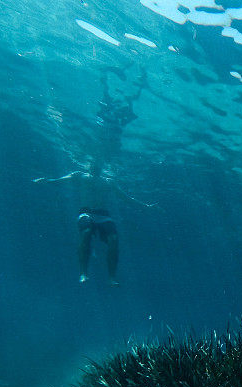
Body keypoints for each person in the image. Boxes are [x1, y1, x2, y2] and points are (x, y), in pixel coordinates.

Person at [77, 67, 145, 286]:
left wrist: (146, 207)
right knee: (86, 232)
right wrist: (46, 182)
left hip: (103, 213)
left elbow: (126, 197)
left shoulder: (116, 123)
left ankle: (112, 276)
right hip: (87, 212)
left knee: (114, 240)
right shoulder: (85, 173)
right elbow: (64, 179)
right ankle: (84, 272)